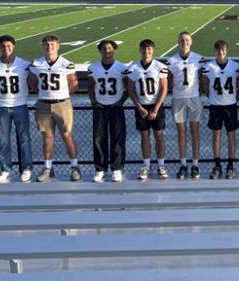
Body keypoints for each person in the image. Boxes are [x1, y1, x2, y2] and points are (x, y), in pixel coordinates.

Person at [28, 35, 80, 182]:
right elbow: (31, 81)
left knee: (67, 136)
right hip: (43, 104)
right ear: (42, 46)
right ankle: (48, 168)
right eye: (46, 44)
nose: (49, 47)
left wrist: (64, 96)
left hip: (62, 104)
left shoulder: (66, 63)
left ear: (58, 46)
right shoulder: (37, 63)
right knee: (47, 138)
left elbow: (74, 83)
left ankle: (75, 167)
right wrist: (41, 94)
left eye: (52, 44)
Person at [0, 35, 33, 183]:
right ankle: (6, 169)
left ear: (14, 46)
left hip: (20, 105)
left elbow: (32, 83)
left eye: (9, 46)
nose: (6, 49)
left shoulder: (24, 64)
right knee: (3, 141)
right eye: (3, 46)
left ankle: (27, 168)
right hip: (1, 107)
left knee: (24, 139)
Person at [126, 39, 169, 181]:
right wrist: (139, 107)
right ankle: (146, 166)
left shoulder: (160, 67)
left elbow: (164, 89)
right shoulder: (134, 68)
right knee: (144, 137)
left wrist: (156, 108)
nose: (146, 52)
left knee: (159, 136)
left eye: (149, 49)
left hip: (156, 106)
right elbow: (130, 90)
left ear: (153, 50)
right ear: (140, 50)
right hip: (141, 106)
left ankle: (161, 165)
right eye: (144, 49)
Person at [87, 39, 127, 183]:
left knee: (117, 138)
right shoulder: (94, 67)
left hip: (116, 107)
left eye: (109, 48)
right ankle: (100, 169)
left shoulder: (122, 67)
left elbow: (128, 87)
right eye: (104, 49)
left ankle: (117, 169)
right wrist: (94, 102)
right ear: (100, 51)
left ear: (114, 50)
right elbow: (90, 87)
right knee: (98, 139)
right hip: (100, 107)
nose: (107, 51)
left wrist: (121, 101)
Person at [200, 40, 239, 180]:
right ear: (214, 51)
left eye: (223, 49)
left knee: (231, 135)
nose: (221, 52)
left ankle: (230, 165)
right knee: (216, 135)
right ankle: (217, 165)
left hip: (230, 105)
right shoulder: (209, 66)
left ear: (226, 50)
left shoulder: (235, 66)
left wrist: (236, 98)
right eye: (218, 50)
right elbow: (204, 84)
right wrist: (211, 98)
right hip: (215, 105)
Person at [167, 31, 203, 180]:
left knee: (195, 132)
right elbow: (169, 80)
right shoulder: (171, 60)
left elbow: (202, 78)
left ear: (191, 42)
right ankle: (183, 164)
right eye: (182, 40)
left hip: (194, 97)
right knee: (181, 132)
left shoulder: (198, 58)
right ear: (178, 42)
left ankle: (195, 164)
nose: (185, 42)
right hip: (178, 98)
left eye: (187, 40)